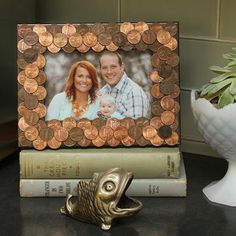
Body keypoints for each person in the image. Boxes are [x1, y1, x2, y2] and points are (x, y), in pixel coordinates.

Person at [99, 51, 149, 119]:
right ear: (100, 70)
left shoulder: (134, 94)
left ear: (122, 67)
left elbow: (135, 129)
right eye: (104, 68)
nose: (109, 72)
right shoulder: (101, 93)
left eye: (113, 67)